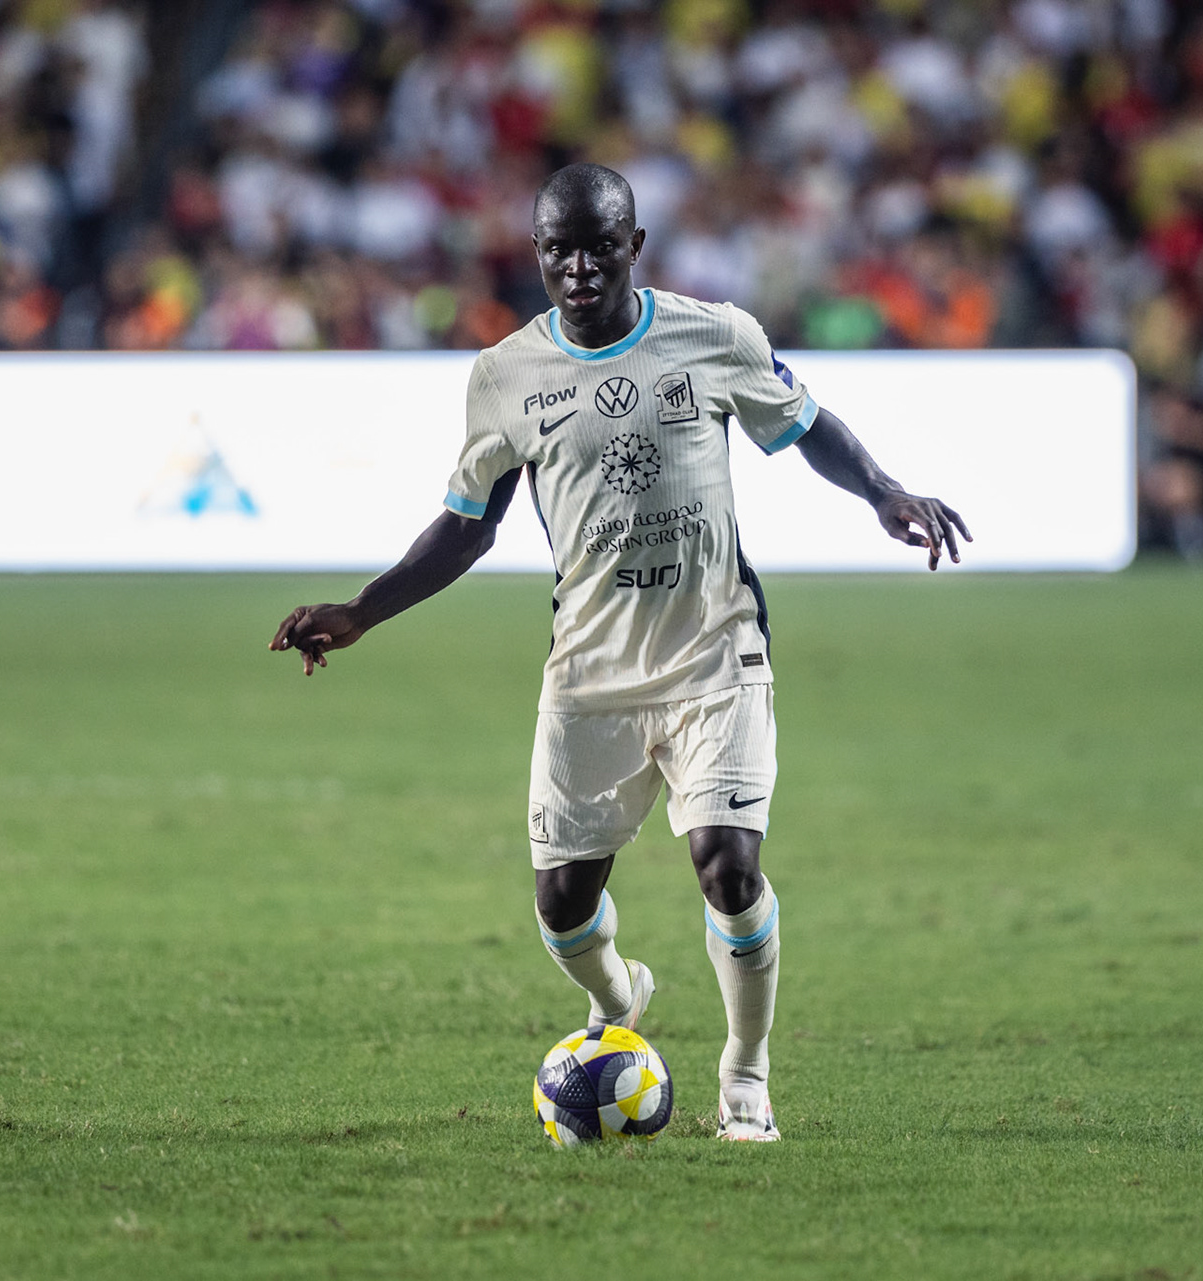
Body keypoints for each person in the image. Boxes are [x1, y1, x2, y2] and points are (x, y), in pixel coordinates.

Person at [269, 163, 969, 1142]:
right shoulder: (507, 376)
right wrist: (362, 611)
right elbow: (470, 524)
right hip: (590, 672)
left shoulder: (714, 336)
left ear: (635, 246)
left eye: (600, 244)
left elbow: (805, 426)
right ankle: (619, 995)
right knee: (562, 908)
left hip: (714, 654)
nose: (580, 265)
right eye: (560, 248)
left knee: (728, 867)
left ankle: (745, 1076)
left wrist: (887, 491)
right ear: (539, 255)